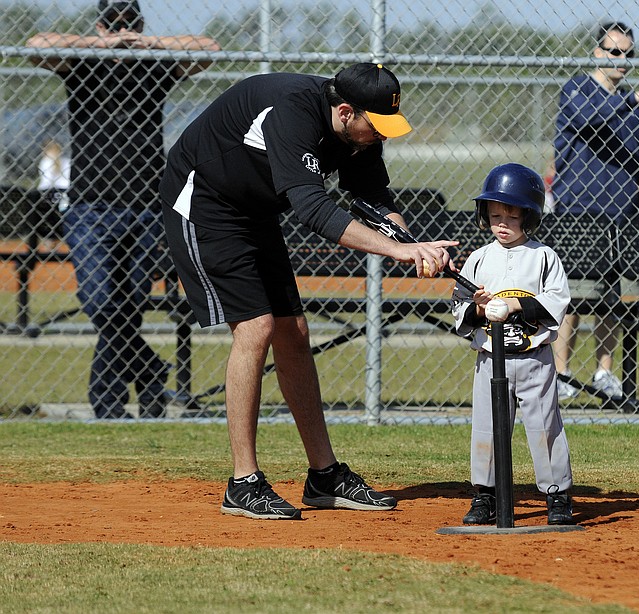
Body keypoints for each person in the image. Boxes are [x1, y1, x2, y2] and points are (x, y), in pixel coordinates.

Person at [159, 62, 457, 520]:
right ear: (343, 112)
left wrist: (413, 245)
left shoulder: (359, 134)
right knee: (256, 328)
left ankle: (324, 476)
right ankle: (243, 482)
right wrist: (399, 253)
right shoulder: (293, 112)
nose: (381, 136)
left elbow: (376, 200)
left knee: (293, 332)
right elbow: (314, 211)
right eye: (374, 126)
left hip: (255, 210)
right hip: (205, 203)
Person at [26, 1, 220, 419]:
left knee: (129, 305)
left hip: (148, 205)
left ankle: (110, 405)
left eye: (128, 23)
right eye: (113, 23)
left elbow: (209, 48)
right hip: (90, 207)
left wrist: (147, 42)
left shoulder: (152, 65)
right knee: (99, 300)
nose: (122, 31)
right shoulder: (82, 65)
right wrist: (99, 43)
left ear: (140, 24)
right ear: (99, 25)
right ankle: (150, 369)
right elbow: (36, 43)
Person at [550, 21, 639, 401]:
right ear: (598, 52)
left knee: (611, 298)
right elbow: (590, 119)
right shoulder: (578, 89)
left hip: (623, 216)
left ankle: (604, 373)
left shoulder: (632, 106)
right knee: (572, 297)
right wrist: (633, 99)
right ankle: (561, 374)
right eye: (614, 52)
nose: (622, 60)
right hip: (580, 212)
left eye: (628, 54)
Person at [450, 163, 574, 526]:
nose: (502, 223)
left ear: (530, 217)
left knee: (544, 427)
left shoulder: (543, 257)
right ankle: (485, 497)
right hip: (490, 359)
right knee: (487, 428)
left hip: (534, 359)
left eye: (511, 216)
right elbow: (459, 310)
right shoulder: (478, 259)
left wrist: (517, 305)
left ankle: (557, 497)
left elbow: (557, 302)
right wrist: (478, 307)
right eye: (495, 215)